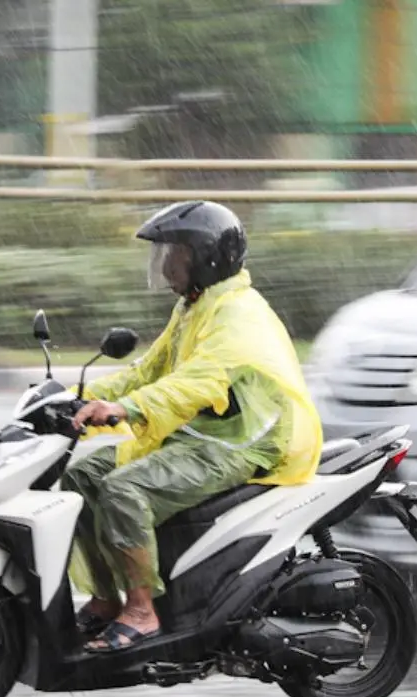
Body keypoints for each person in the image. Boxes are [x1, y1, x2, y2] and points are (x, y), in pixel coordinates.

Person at [64, 200, 323, 652]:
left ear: (204, 257)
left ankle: (142, 612)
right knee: (81, 475)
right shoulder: (196, 306)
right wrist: (77, 398)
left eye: (174, 254)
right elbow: (150, 370)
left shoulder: (238, 315)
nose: (165, 265)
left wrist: (127, 409)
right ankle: (107, 597)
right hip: (207, 434)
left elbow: (198, 381)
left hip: (246, 440)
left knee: (124, 489)